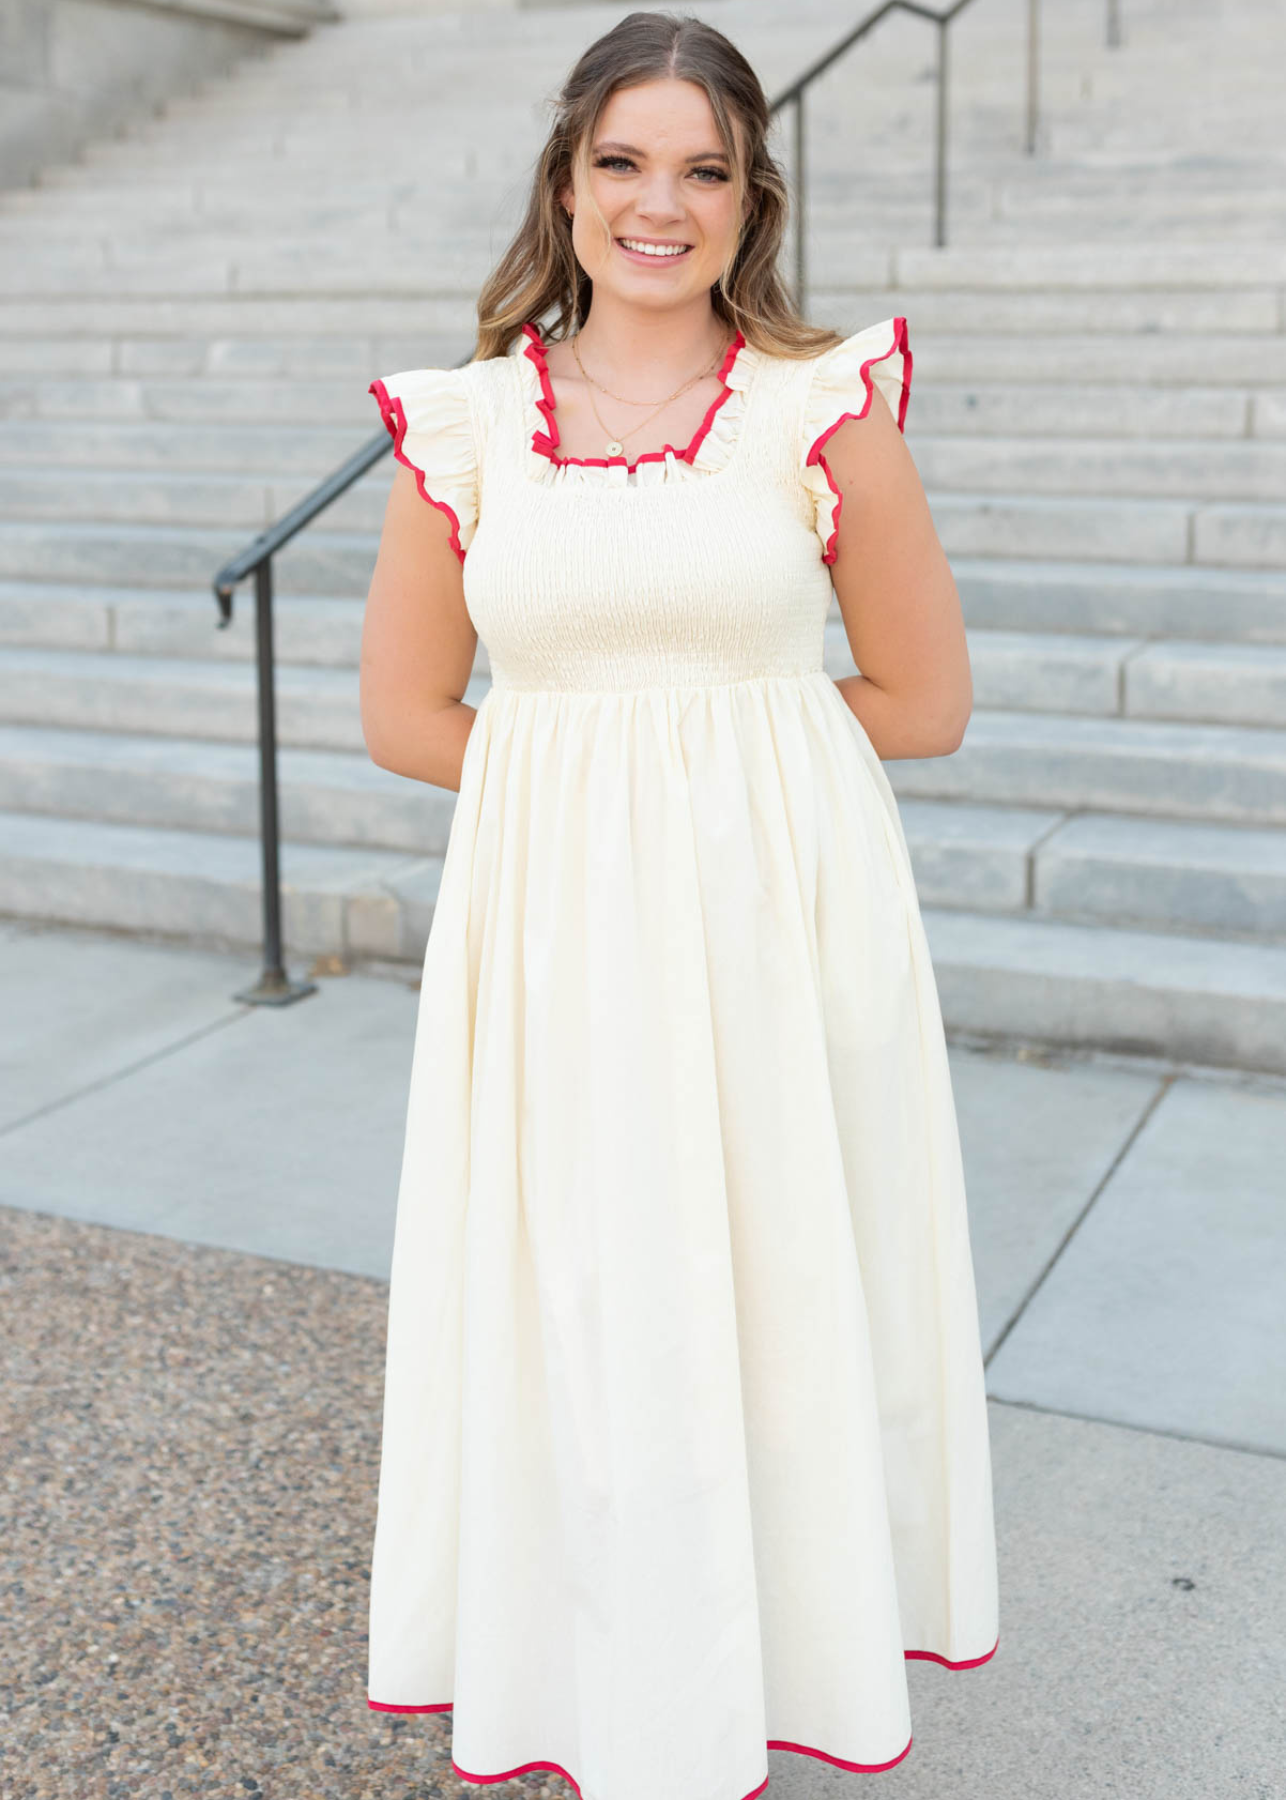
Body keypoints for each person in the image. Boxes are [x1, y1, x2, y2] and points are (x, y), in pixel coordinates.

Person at [358, 11, 999, 1798]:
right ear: (563, 183)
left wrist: (723, 787)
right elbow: (410, 717)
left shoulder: (822, 405)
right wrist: (608, 810)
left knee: (781, 1303)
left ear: (749, 195)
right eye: (623, 161)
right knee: (581, 1311)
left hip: (777, 940)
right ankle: (604, 1703)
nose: (661, 202)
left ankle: (770, 1684)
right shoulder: (466, 424)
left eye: (703, 166)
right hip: (557, 944)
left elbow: (924, 704)